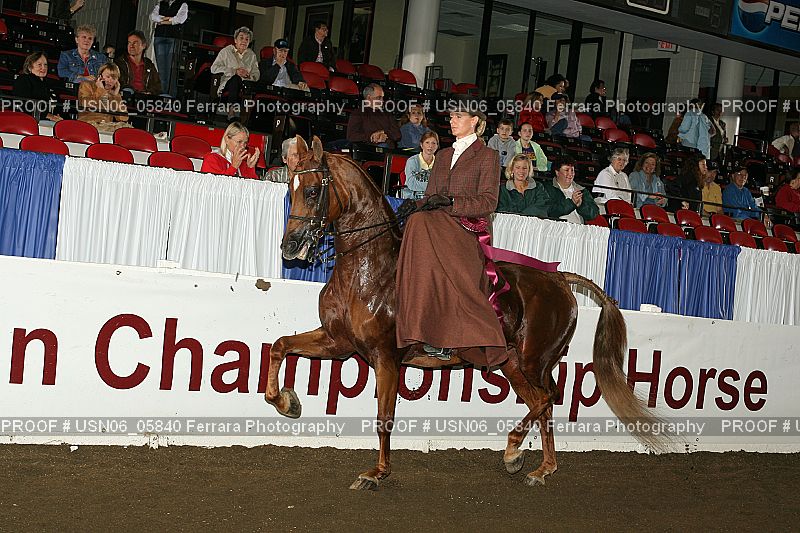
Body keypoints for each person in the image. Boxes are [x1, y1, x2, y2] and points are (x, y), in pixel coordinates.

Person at [396, 97, 506, 366]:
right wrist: (414, 204)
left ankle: (447, 331)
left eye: (458, 116)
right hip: (438, 223)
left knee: (420, 224)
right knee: (416, 220)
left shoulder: (488, 156)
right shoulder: (443, 155)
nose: (452, 121)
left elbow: (488, 202)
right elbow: (431, 197)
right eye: (451, 117)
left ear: (474, 121)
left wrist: (453, 202)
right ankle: (417, 322)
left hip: (467, 227)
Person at [210, 27, 260, 119]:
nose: (244, 41)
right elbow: (214, 68)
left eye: (247, 39)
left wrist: (249, 76)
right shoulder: (226, 51)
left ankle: (247, 118)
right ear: (235, 40)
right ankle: (231, 111)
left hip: (245, 85)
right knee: (235, 78)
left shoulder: (252, 55)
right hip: (227, 84)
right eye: (241, 38)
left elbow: (256, 74)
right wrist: (234, 71)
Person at [543, 156, 599, 224]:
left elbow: (593, 214)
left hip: (579, 228)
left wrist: (581, 206)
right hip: (557, 228)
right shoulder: (546, 188)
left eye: (572, 170)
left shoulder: (582, 190)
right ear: (557, 172)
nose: (570, 174)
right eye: (566, 170)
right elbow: (548, 211)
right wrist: (571, 203)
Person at [77, 63, 131, 132]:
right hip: (89, 124)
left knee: (127, 130)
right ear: (100, 76)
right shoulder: (87, 85)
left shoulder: (114, 94)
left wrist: (116, 96)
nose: (110, 81)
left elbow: (123, 118)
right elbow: (86, 105)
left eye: (114, 78)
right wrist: (100, 90)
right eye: (108, 77)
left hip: (107, 127)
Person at [151, 0, 189, 96]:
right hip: (159, 37)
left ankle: (170, 95)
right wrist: (170, 19)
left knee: (171, 68)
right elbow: (153, 16)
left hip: (173, 38)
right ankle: (162, 93)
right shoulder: (161, 3)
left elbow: (180, 19)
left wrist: (162, 21)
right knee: (161, 67)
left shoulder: (183, 4)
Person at [12, 52, 65, 122]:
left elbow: (58, 105)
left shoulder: (48, 84)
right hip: (29, 121)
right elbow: (24, 104)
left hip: (49, 122)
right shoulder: (24, 80)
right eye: (39, 64)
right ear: (29, 67)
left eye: (45, 65)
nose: (43, 68)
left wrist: (59, 117)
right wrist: (47, 115)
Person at [346, 83, 401, 148]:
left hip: (387, 148)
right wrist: (372, 137)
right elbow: (351, 136)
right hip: (368, 149)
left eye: (382, 97)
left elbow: (397, 135)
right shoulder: (358, 114)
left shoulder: (387, 114)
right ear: (369, 98)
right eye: (379, 97)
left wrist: (383, 133)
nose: (382, 100)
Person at [401, 131, 439, 199]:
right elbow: (411, 184)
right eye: (427, 142)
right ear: (421, 145)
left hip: (433, 198)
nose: (430, 146)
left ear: (437, 146)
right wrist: (433, 186)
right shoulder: (412, 161)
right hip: (412, 198)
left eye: (433, 143)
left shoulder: (440, 163)